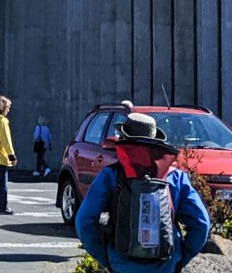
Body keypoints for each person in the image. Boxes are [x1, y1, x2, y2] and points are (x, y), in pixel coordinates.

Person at [75, 110, 210, 272]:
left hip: (121, 264)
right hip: (166, 265)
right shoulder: (176, 177)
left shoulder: (111, 175)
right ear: (155, 141)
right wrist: (181, 257)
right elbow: (201, 224)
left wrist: (105, 258)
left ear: (123, 140)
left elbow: (84, 221)